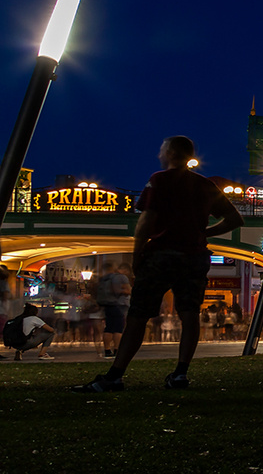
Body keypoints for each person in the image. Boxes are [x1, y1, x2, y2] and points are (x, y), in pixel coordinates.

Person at [70, 135, 243, 393]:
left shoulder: (159, 180)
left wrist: (137, 255)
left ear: (171, 153)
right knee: (190, 315)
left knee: (138, 316)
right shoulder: (205, 185)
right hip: (194, 256)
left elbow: (145, 222)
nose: (159, 155)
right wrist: (202, 232)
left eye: (162, 150)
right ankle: (180, 373)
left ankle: (115, 375)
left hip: (162, 254)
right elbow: (234, 219)